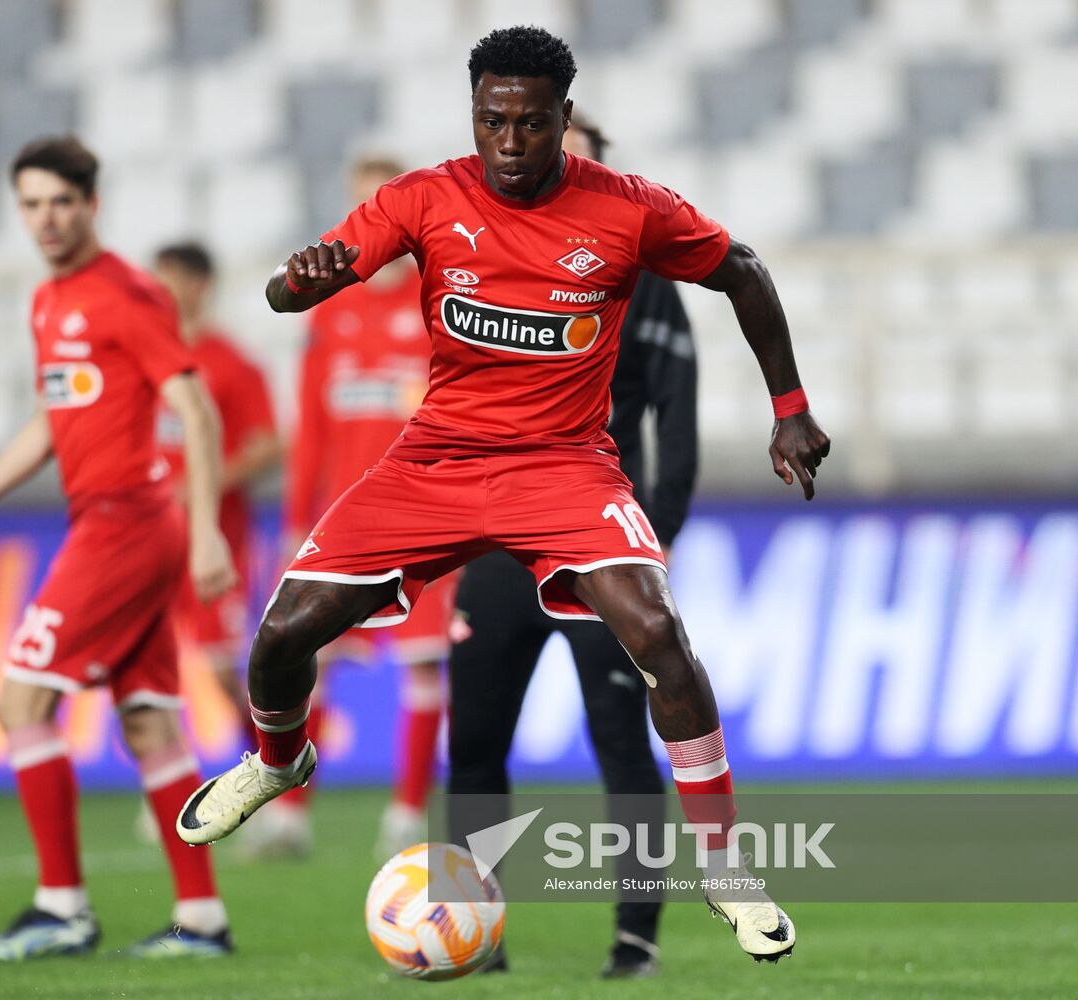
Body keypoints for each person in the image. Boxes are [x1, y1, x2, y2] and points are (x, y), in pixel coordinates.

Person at [178, 26, 829, 964]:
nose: (511, 144)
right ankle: (278, 762)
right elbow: (293, 290)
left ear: (565, 119)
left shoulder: (629, 210)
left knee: (659, 638)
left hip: (563, 468)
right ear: (473, 116)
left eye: (530, 124)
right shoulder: (423, 197)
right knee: (280, 636)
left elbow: (744, 271)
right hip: (434, 464)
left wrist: (791, 408)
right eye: (493, 123)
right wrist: (297, 282)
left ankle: (723, 867)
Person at [0, 135, 238, 961]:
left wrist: (204, 528)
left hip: (126, 524)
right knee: (149, 726)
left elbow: (195, 410)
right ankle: (200, 919)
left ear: (91, 205)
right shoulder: (48, 302)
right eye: (31, 204)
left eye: (61, 201)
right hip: (111, 521)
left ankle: (61, 907)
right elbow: (50, 424)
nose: (46, 218)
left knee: (20, 703)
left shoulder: (126, 294)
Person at [445, 113, 698, 980]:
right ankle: (474, 939)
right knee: (474, 741)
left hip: (595, 549)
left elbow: (677, 419)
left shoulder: (644, 273)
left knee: (620, 741)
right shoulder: (492, 262)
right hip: (495, 552)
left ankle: (635, 942)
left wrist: (646, 543)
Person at [251, 155, 451, 860]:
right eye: (359, 205)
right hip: (346, 517)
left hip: (428, 512)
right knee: (315, 657)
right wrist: (292, 524)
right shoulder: (329, 311)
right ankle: (288, 818)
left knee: (424, 663)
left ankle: (404, 813)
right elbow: (308, 429)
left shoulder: (438, 303)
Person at [153, 241, 281, 740]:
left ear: (198, 286)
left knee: (225, 670)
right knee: (147, 662)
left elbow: (269, 446)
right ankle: (163, 781)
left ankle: (275, 763)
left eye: (168, 282)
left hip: (213, 536)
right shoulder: (141, 354)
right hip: (148, 536)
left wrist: (205, 482)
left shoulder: (229, 363)